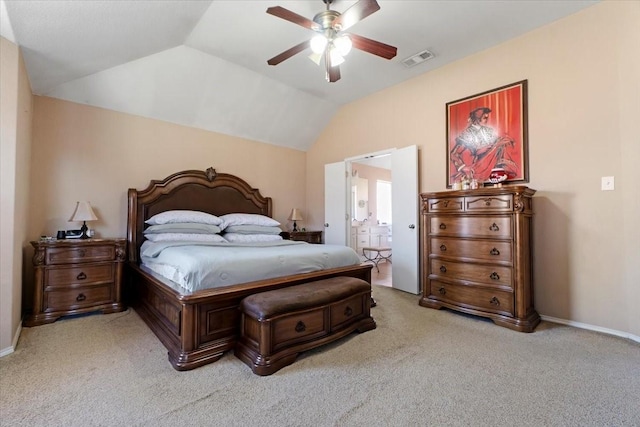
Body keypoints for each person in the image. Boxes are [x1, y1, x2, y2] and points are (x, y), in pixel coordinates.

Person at [449, 107, 518, 183]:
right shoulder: (467, 133)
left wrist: (505, 141)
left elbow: (496, 143)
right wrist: (463, 167)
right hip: (480, 164)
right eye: (485, 118)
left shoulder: (488, 130)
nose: (487, 120)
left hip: (493, 160)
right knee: (500, 145)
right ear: (477, 118)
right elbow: (453, 154)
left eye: (487, 118)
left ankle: (504, 171)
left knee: (504, 143)